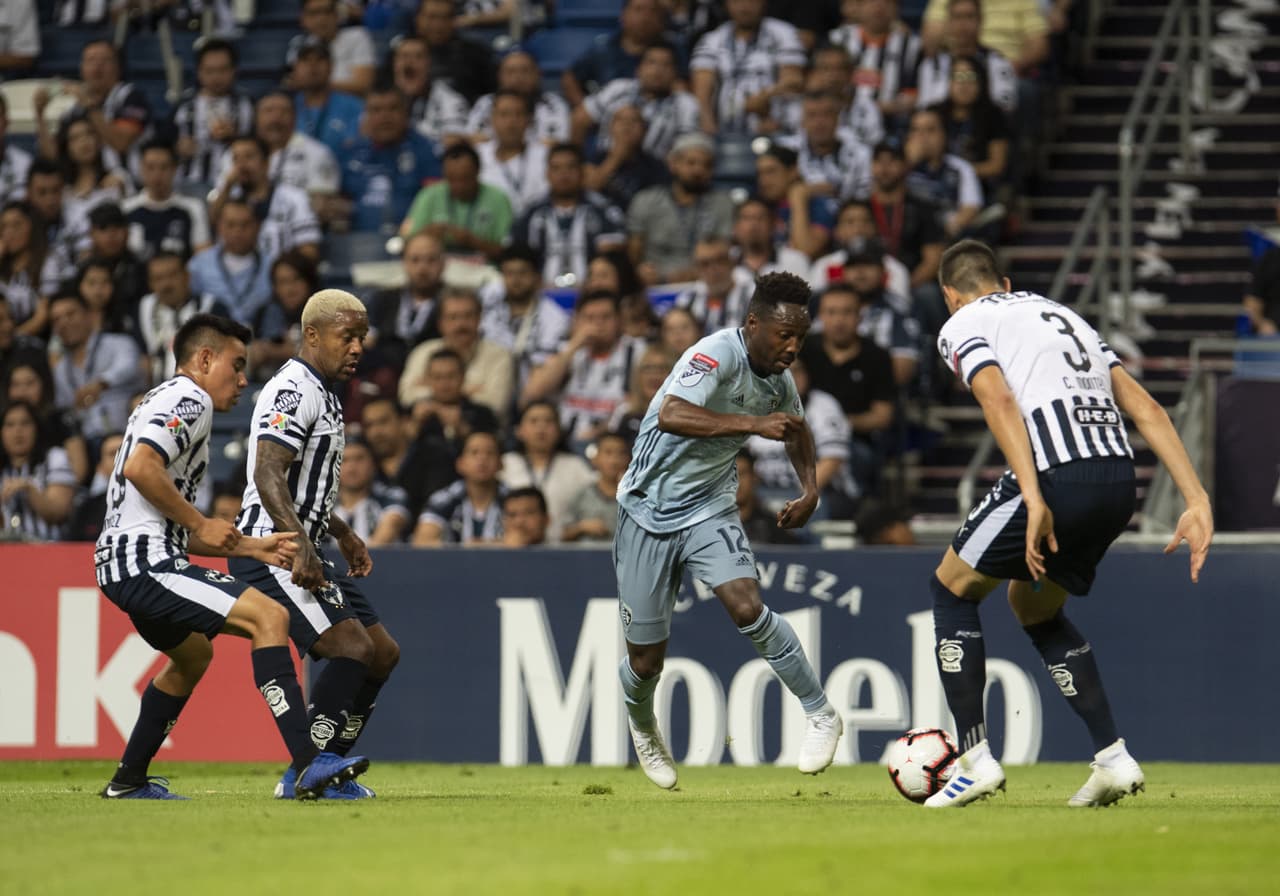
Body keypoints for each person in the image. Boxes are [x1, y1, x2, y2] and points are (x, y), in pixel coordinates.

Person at [920, 240, 1213, 808]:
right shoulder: (1068, 319)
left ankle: (974, 759)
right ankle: (1113, 758)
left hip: (1057, 477)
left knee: (951, 589)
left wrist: (1032, 495)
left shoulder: (964, 322)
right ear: (1004, 282)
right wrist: (1196, 498)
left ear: (950, 295)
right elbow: (1146, 408)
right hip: (1116, 483)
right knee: (1033, 606)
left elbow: (998, 401)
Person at [95, 313, 367, 800]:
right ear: (203, 359)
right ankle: (308, 765)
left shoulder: (156, 401)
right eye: (236, 365)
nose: (244, 380)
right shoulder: (189, 396)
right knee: (269, 617)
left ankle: (128, 780)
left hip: (130, 557)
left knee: (193, 655)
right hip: (144, 563)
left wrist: (248, 545)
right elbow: (140, 468)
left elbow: (159, 516)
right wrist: (200, 523)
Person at [612, 270, 843, 789]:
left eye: (801, 338)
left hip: (708, 509)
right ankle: (644, 724)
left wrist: (810, 490)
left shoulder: (779, 384)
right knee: (646, 662)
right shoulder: (715, 354)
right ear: (753, 323)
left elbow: (797, 433)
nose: (792, 347)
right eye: (784, 335)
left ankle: (822, 713)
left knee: (745, 603)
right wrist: (751, 425)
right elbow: (671, 413)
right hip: (645, 508)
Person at [228, 289, 400, 800]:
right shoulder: (293, 388)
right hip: (273, 546)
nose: (357, 348)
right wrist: (301, 544)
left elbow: (306, 486)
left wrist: (341, 533)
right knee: (351, 647)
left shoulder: (324, 391)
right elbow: (267, 471)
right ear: (312, 335)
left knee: (382, 654)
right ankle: (311, 769)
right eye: (347, 336)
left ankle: (324, 766)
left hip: (303, 539)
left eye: (362, 338)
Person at [521, 289, 645, 450]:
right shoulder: (566, 350)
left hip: (614, 442)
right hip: (563, 443)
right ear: (577, 321)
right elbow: (531, 395)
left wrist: (598, 432)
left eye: (606, 317)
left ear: (619, 320)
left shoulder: (638, 351)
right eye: (589, 318)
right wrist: (574, 345)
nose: (598, 324)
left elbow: (640, 403)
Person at [627, 132, 736, 286]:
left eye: (706, 165)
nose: (698, 170)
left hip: (703, 283)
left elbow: (724, 251)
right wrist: (638, 271)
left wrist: (695, 273)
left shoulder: (723, 203)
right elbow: (634, 253)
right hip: (655, 284)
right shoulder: (646, 201)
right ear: (673, 164)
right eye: (691, 163)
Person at [513, 144, 627, 287]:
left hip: (594, 293)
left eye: (570, 167)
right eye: (556, 168)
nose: (564, 174)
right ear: (547, 173)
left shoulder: (603, 209)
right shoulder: (531, 212)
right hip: (540, 294)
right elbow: (517, 255)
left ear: (582, 171)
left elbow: (613, 255)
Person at [398, 288, 514, 423]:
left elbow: (495, 405)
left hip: (480, 430)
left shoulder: (499, 355)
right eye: (453, 317)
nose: (461, 324)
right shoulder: (423, 351)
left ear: (479, 319)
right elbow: (406, 396)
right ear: (440, 323)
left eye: (468, 316)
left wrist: (432, 390)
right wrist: (468, 391)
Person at [337, 84, 441, 234]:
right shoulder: (349, 154)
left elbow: (437, 203)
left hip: (412, 244)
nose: (385, 117)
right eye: (376, 110)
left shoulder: (427, 151)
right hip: (358, 245)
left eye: (393, 108)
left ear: (406, 113)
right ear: (365, 115)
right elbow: (337, 203)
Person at [690, 0, 806, 134]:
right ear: (727, 5)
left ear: (763, 3)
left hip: (775, 125)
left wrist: (764, 97)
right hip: (725, 128)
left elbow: (793, 81)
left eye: (752, 1)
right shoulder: (711, 40)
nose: (745, 7)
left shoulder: (784, 33)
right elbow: (701, 90)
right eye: (737, 2)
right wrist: (708, 126)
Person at [402, 348, 501, 503]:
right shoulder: (414, 410)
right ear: (427, 379)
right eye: (438, 377)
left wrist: (461, 427)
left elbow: (491, 451)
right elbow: (396, 454)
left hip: (468, 494)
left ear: (463, 377)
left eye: (451, 376)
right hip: (418, 491)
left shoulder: (482, 413)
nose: (444, 384)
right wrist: (415, 424)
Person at [574, 42, 700, 162]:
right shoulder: (618, 89)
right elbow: (579, 120)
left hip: (657, 176)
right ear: (639, 69)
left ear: (675, 73)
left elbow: (687, 150)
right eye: (652, 63)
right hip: (603, 167)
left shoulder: (685, 104)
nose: (658, 70)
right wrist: (581, 164)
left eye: (666, 65)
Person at [50, 292, 145, 449]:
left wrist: (101, 384)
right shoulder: (60, 370)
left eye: (70, 314)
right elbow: (66, 412)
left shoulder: (118, 343)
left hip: (129, 435)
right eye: (56, 319)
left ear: (89, 315)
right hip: (90, 446)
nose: (64, 323)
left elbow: (130, 365)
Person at [478, 244, 572, 400]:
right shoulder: (486, 310)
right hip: (489, 393)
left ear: (537, 277)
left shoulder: (555, 319)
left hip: (536, 398)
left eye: (523, 273)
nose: (516, 280)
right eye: (509, 273)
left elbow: (547, 369)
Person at [501, 401, 594, 543]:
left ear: (559, 430)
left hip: (564, 548)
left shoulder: (575, 466)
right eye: (533, 421)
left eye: (549, 421)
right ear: (519, 430)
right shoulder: (505, 464)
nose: (541, 427)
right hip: (512, 545)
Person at [399, 142, 513, 260]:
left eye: (465, 178)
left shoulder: (498, 199)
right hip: (435, 272)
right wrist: (428, 233)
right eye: (452, 179)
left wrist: (473, 241)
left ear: (478, 171)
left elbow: (508, 252)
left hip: (485, 272)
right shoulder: (429, 195)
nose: (459, 185)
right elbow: (404, 245)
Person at [135, 251, 230, 384]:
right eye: (158, 278)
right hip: (159, 391)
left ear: (187, 276)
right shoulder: (144, 309)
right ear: (150, 283)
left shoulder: (212, 309)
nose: (166, 284)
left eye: (172, 275)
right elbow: (144, 359)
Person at [171, 37, 255, 186]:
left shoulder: (248, 104)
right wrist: (177, 148)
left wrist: (235, 138)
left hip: (236, 185)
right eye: (209, 71)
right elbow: (163, 145)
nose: (216, 77)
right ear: (199, 72)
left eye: (222, 70)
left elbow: (261, 147)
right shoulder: (183, 105)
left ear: (234, 70)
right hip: (189, 183)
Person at [561, 0, 669, 107]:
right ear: (623, 15)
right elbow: (570, 79)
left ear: (660, 18)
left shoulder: (669, 49)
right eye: (638, 9)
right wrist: (586, 109)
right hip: (612, 119)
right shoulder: (602, 49)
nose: (645, 17)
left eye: (652, 11)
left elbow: (680, 88)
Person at [364, 230, 445, 371]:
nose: (422, 268)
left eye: (431, 260)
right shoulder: (382, 299)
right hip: (385, 374)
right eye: (415, 260)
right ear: (404, 263)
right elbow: (367, 342)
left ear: (443, 263)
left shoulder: (452, 304)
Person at [187, 199, 276, 325]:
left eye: (245, 225)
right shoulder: (198, 266)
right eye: (231, 225)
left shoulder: (273, 266)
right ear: (219, 227)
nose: (238, 232)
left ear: (257, 227)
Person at [411, 428, 507, 546]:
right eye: (474, 452)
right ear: (460, 464)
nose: (482, 459)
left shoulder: (513, 500)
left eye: (490, 453)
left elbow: (524, 542)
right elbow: (422, 541)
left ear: (501, 464)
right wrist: (472, 547)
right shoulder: (443, 499)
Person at [0, 399, 78, 541]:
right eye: (9, 425)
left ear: (37, 428)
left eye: (25, 423)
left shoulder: (55, 458)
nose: (18, 431)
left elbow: (58, 513)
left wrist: (29, 489)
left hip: (49, 550)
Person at [123, 140, 213, 263]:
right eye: (150, 167)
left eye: (164, 167)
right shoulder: (126, 209)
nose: (157, 174)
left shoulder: (193, 208)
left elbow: (203, 256)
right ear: (141, 169)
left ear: (174, 169)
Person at [4, 359, 89, 485]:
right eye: (16, 385)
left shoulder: (62, 418)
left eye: (29, 383)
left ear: (44, 384)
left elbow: (79, 471)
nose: (22, 391)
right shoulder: (3, 420)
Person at [467, 50, 571, 145]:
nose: (517, 77)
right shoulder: (486, 103)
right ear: (499, 76)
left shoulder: (553, 104)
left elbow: (555, 145)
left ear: (538, 74)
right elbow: (472, 140)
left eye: (525, 71)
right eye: (510, 72)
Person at [476, 91, 550, 220]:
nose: (511, 123)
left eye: (518, 115)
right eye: (504, 115)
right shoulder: (477, 156)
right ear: (491, 120)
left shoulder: (546, 156)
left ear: (529, 121)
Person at [386, 34, 470, 146]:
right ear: (394, 64)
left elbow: (453, 146)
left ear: (430, 64)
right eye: (403, 56)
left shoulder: (452, 102)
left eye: (418, 57)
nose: (409, 63)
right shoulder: (381, 101)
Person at [290, 35, 365, 159]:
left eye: (320, 59)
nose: (312, 66)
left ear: (331, 67)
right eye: (305, 60)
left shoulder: (355, 107)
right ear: (295, 69)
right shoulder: (287, 108)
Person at [250, 251, 319, 380]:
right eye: (282, 282)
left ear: (309, 282)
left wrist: (278, 352)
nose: (289, 289)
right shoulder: (263, 314)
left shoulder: (325, 314)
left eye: (296, 280)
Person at [331, 436, 410, 546]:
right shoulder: (323, 505)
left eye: (359, 459)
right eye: (344, 460)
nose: (351, 468)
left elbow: (389, 529)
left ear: (373, 463)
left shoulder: (390, 496)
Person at [292, 0, 376, 97]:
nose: (321, 19)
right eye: (314, 13)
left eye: (327, 12)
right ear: (303, 19)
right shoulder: (301, 44)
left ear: (337, 15)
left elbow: (364, 85)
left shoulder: (357, 36)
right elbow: (294, 83)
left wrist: (316, 85)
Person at [674, 237, 757, 333]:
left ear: (732, 262)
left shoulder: (752, 296)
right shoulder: (687, 301)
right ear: (696, 269)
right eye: (705, 264)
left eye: (720, 261)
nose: (713, 269)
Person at [561, 430, 631, 543]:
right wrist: (581, 527)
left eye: (621, 453)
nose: (614, 460)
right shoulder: (581, 494)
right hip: (587, 558)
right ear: (595, 459)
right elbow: (563, 534)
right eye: (608, 453)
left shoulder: (636, 498)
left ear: (629, 460)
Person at [0, 200, 50, 339]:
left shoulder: (48, 261)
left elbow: (42, 316)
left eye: (16, 225)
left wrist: (10, 340)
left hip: (33, 340)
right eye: (4, 226)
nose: (9, 232)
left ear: (32, 227)